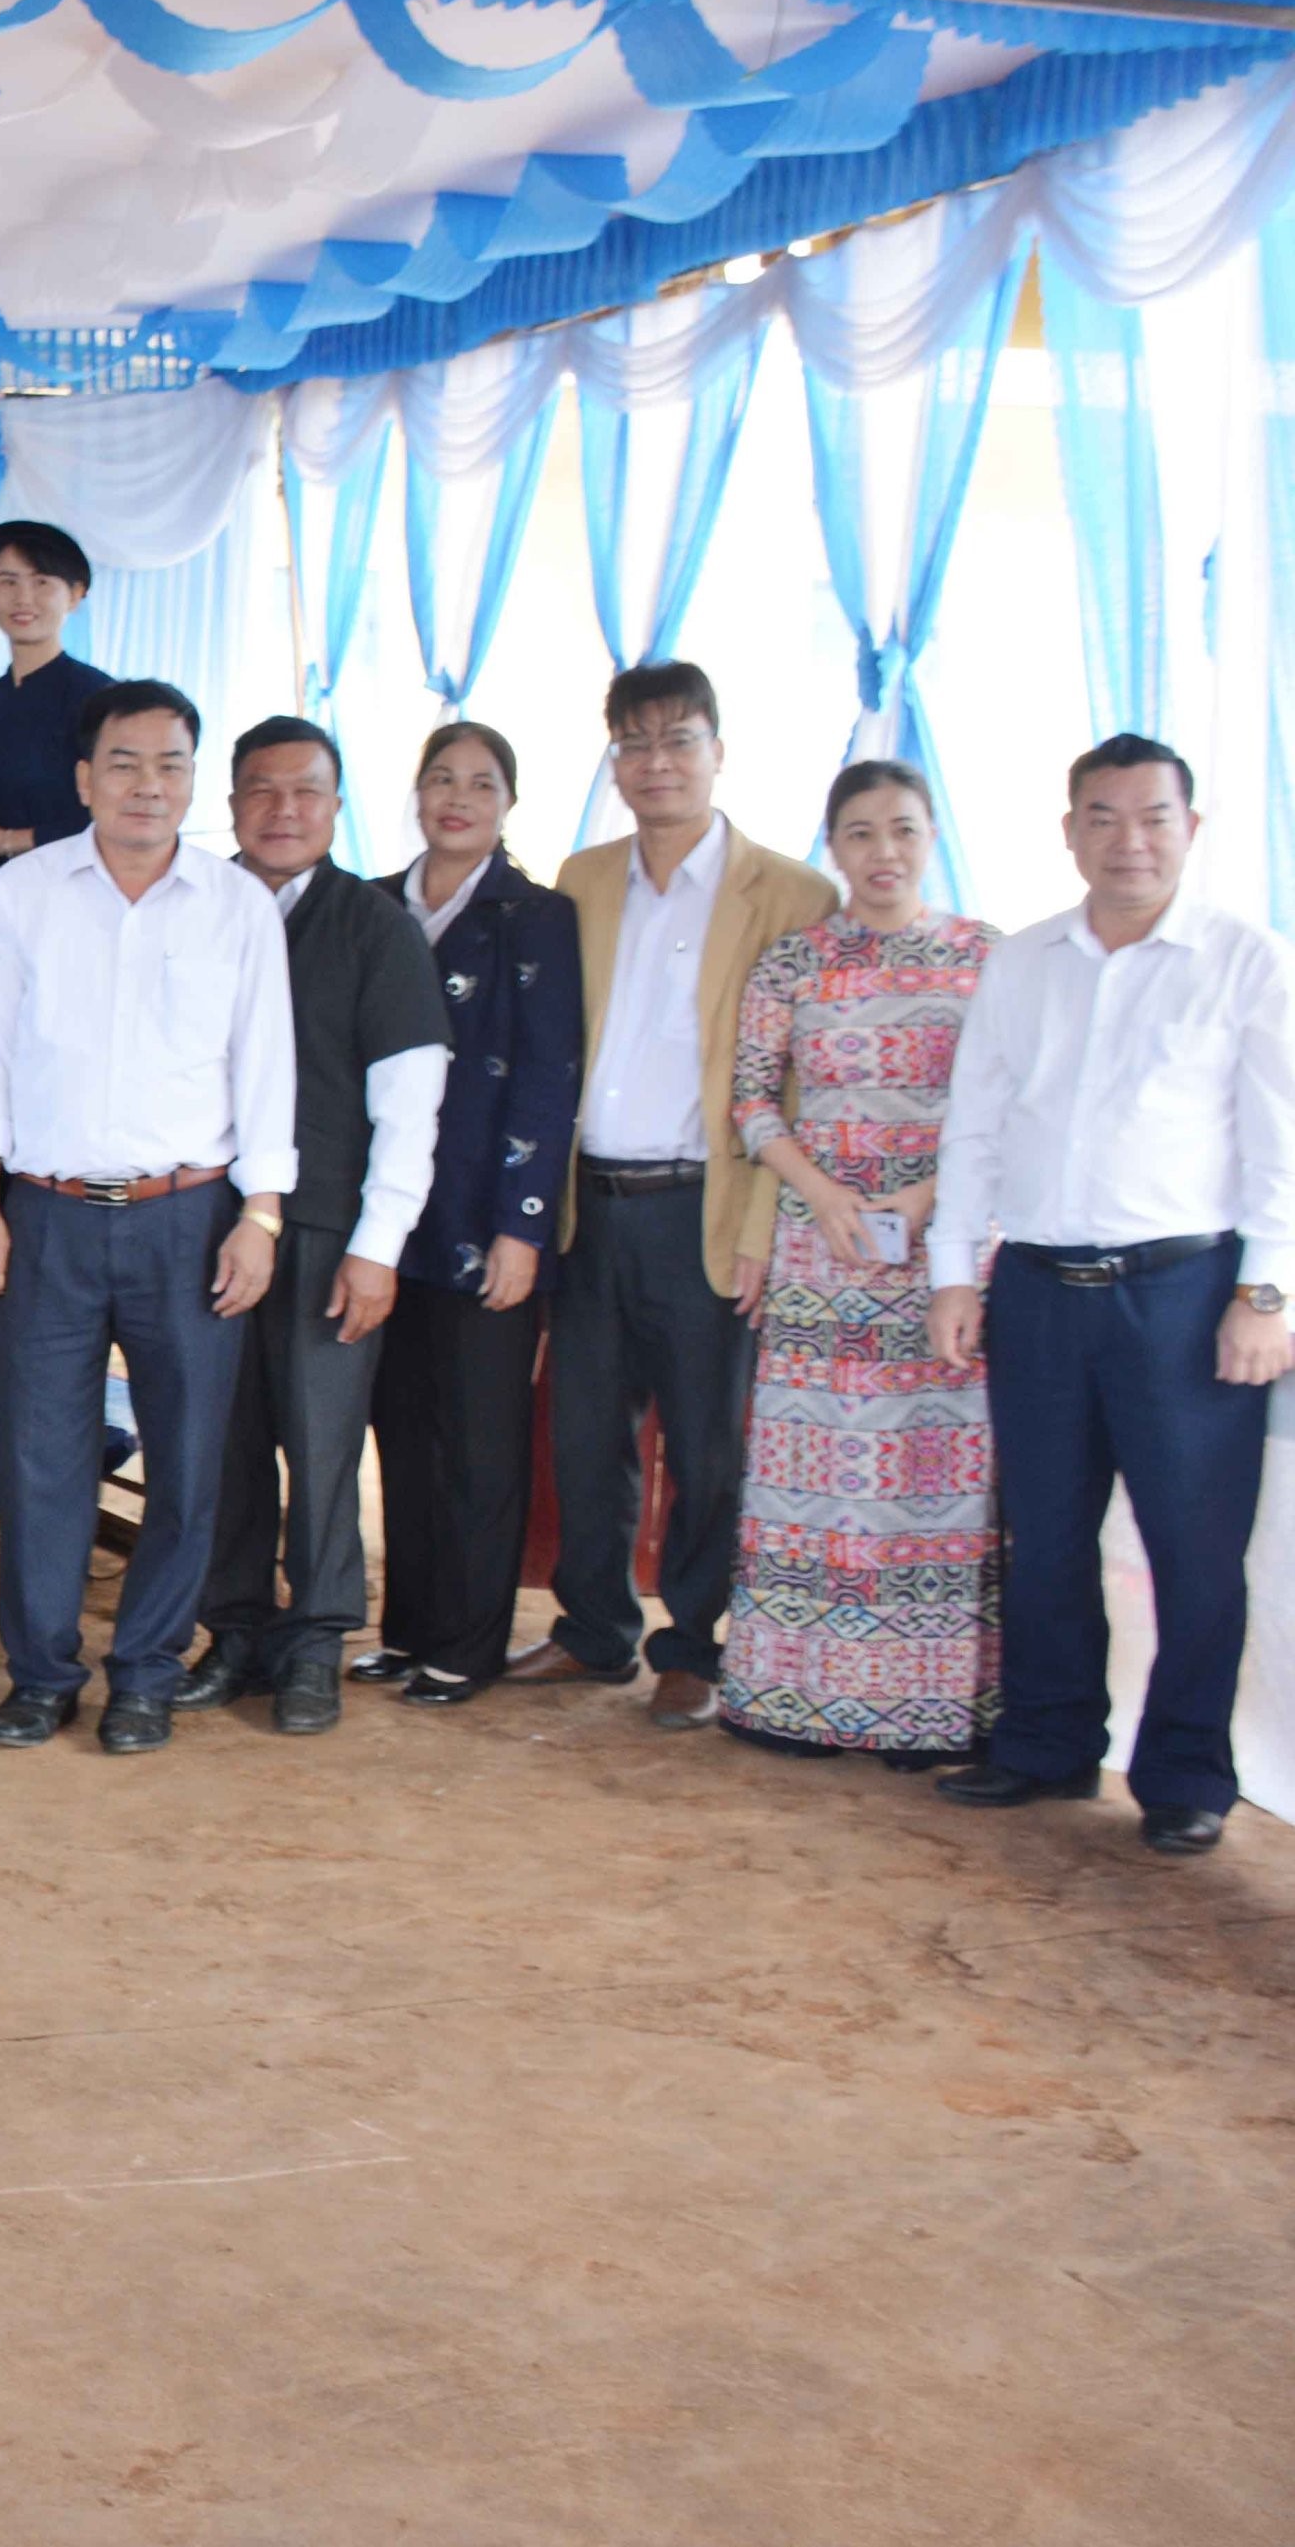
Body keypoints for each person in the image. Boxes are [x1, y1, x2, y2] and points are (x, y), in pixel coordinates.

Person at [928, 735, 1292, 1857]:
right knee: (1043, 1536)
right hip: (1037, 1289)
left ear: (1191, 826)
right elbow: (977, 1125)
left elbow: (1281, 1144)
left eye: (1153, 817)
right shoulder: (1024, 960)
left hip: (1184, 1296)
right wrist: (954, 1270)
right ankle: (1045, 1742)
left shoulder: (1246, 960)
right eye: (1104, 816)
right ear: (1070, 829)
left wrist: (1267, 1294)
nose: (1129, 839)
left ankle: (1185, 1772)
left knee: (1193, 1548)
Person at [0, 682, 294, 1755]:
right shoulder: (20, 894)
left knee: (189, 1461)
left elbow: (268, 1070)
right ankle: (43, 1673)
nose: (148, 785)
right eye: (125, 762)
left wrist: (264, 1217)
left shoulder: (236, 905)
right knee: (40, 1459)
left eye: (171, 764)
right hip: (46, 1216)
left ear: (194, 780)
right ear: (83, 778)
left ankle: (146, 1671)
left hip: (189, 1216)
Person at [511, 664, 836, 1723]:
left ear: (719, 750)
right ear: (614, 761)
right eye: (636, 744)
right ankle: (596, 1631)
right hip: (590, 1204)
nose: (658, 762)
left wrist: (761, 1232)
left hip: (708, 1210)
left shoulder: (792, 894)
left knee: (706, 1444)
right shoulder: (583, 876)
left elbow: (798, 1081)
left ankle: (694, 1642)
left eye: (679, 740)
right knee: (586, 1437)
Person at [715, 761, 996, 1764]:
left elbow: (1002, 1107)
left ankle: (925, 1710)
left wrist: (921, 1203)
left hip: (944, 1252)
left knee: (931, 1478)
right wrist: (825, 1195)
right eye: (863, 833)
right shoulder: (795, 961)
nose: (885, 853)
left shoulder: (984, 958)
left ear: (932, 837)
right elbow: (752, 1099)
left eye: (905, 831)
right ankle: (795, 1698)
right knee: (815, 1473)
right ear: (833, 845)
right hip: (821, 1244)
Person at [178, 720, 451, 1735]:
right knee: (224, 1440)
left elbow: (411, 1104)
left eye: (307, 792)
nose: (284, 810)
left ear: (336, 807)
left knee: (323, 1444)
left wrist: (380, 1244)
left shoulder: (375, 926)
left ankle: (318, 1640)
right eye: (262, 790)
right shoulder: (196, 907)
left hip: (332, 1233)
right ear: (233, 802)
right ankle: (235, 1628)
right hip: (209, 1224)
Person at [365, 724, 582, 1710]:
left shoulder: (535, 917)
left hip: (483, 1213)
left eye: (482, 782)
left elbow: (547, 1077)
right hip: (381, 1220)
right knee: (401, 1432)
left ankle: (468, 1641)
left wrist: (523, 1226)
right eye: (442, 778)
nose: (458, 797)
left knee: (480, 1442)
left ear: (509, 801)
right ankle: (407, 1628)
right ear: (415, 791)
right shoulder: (371, 905)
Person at [0, 521, 112, 898]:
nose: (23, 598)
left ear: (75, 596)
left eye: (42, 582)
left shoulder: (101, 697)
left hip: (69, 892)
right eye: (8, 581)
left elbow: (110, 810)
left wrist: (4, 840)